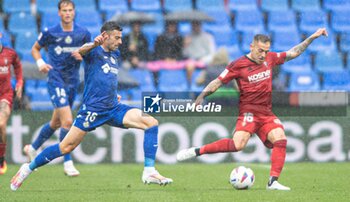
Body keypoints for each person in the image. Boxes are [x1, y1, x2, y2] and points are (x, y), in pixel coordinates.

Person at [10, 21, 173, 191]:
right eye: (117, 38)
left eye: (121, 38)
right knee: (66, 147)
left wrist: (113, 92)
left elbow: (106, 78)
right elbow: (79, 51)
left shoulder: (115, 54)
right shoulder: (93, 51)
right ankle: (27, 168)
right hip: (92, 110)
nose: (120, 42)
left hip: (113, 107)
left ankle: (149, 171)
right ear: (105, 36)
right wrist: (94, 43)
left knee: (151, 122)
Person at [176, 28, 328, 191]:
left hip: (266, 114)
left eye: (266, 51)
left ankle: (273, 182)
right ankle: (197, 151)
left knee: (280, 138)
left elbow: (293, 53)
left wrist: (312, 37)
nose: (263, 55)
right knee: (238, 145)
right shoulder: (237, 65)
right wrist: (201, 97)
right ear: (252, 47)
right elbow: (218, 81)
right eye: (260, 51)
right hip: (248, 113)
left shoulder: (270, 59)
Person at [23, 0, 91, 177]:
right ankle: (68, 162)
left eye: (70, 10)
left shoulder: (83, 33)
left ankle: (33, 147)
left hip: (72, 81)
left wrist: (83, 55)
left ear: (74, 12)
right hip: (56, 79)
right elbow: (35, 49)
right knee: (68, 121)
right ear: (59, 13)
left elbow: (91, 54)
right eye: (64, 10)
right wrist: (40, 63)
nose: (67, 13)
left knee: (56, 123)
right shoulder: (50, 32)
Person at [0, 32, 23, 175]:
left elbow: (18, 67)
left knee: (1, 124)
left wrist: (20, 82)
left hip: (5, 95)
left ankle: (1, 158)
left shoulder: (10, 53)